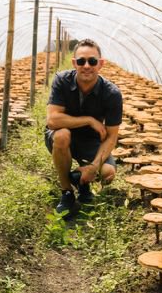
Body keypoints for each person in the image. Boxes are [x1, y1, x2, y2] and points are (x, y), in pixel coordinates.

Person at [45, 38, 123, 214]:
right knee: (62, 134)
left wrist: (94, 166)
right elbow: (52, 121)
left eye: (92, 61)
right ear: (74, 63)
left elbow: (111, 136)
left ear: (101, 64)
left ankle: (81, 179)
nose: (86, 65)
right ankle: (67, 191)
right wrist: (89, 120)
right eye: (81, 61)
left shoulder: (112, 93)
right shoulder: (62, 81)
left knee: (108, 172)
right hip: (63, 137)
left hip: (90, 140)